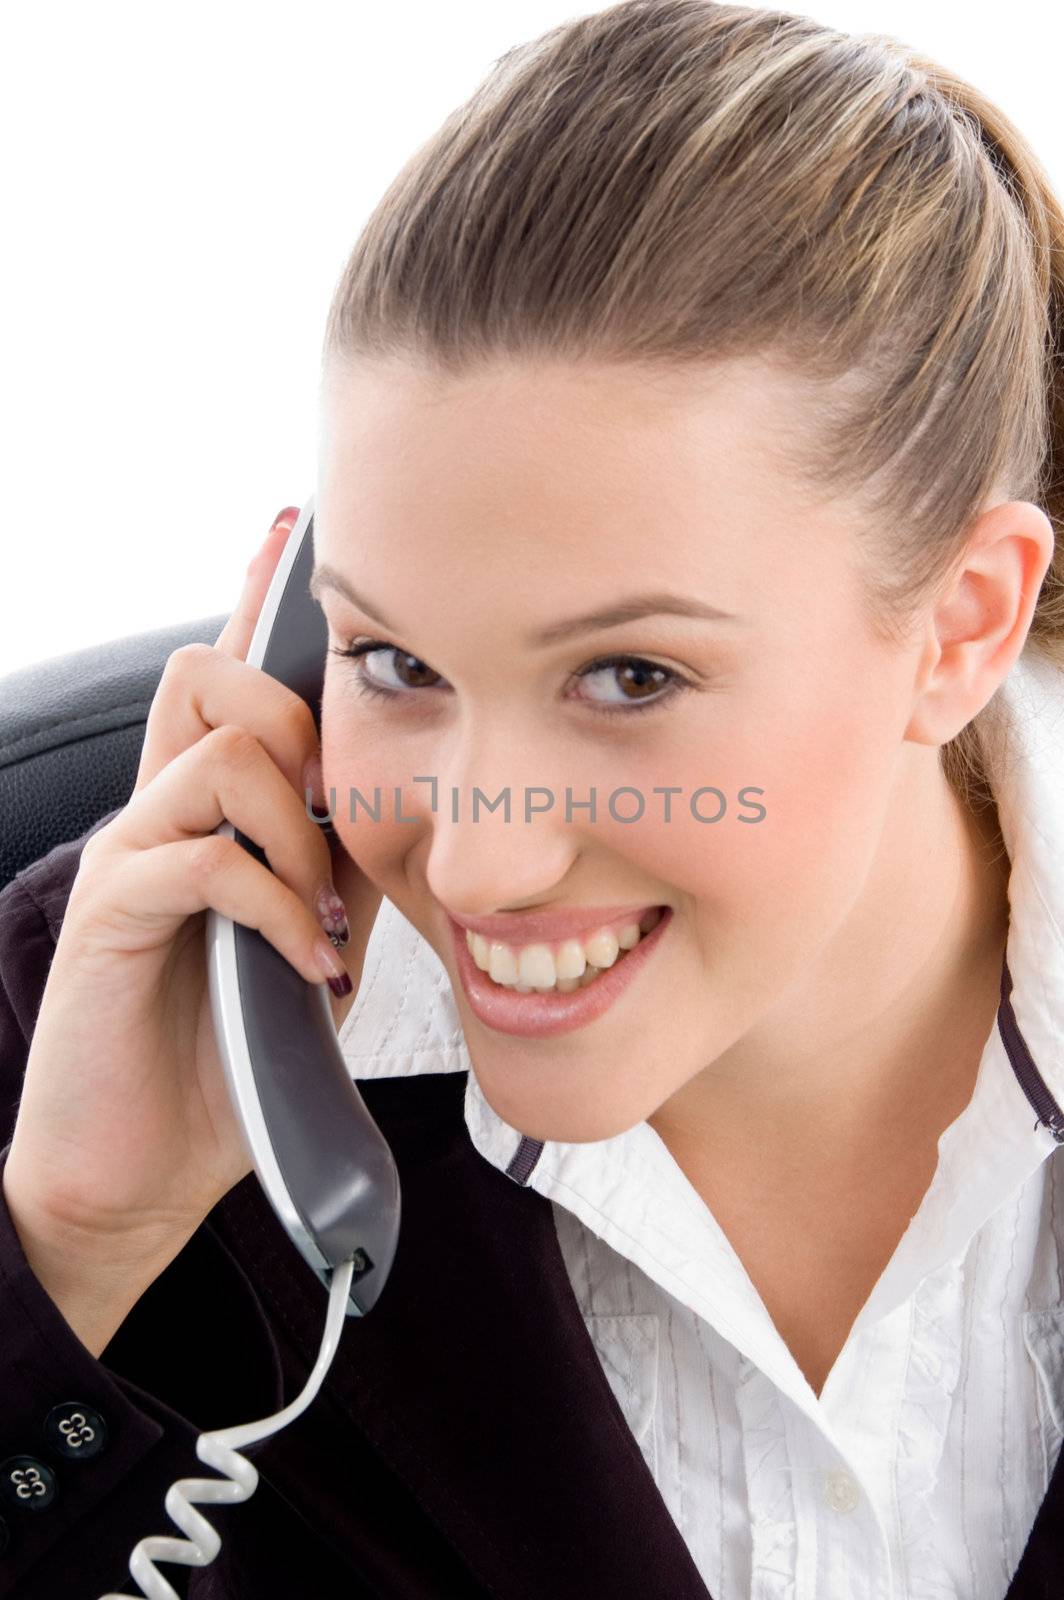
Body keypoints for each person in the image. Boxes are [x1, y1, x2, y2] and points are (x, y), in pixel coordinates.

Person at [1, 1, 1063, 1595]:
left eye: (629, 678)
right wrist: (62, 1260)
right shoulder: (95, 1045)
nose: (483, 867)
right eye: (393, 661)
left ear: (963, 624)